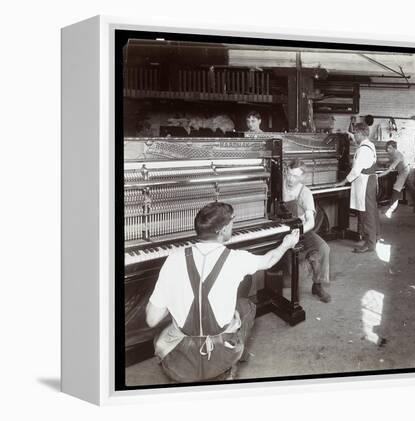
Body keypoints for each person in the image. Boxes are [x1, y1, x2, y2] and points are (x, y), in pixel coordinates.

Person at [145, 202, 300, 382]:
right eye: (232, 223)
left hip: (179, 365)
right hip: (220, 358)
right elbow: (268, 260)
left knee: (173, 328)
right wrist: (287, 244)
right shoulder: (236, 259)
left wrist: (176, 300)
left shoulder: (173, 260)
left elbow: (151, 320)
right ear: (223, 229)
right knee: (246, 305)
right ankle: (231, 361)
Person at [282, 159, 332, 303]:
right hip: (280, 230)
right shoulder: (280, 187)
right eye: (289, 174)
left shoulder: (305, 193)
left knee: (323, 248)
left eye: (295, 176)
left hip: (302, 230)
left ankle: (317, 285)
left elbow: (311, 221)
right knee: (291, 275)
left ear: (302, 177)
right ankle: (309, 262)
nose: (291, 179)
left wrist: (299, 230)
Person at [335, 122, 380, 253]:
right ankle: (372, 238)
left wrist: (343, 181)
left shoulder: (363, 149)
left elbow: (355, 171)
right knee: (370, 212)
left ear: (360, 133)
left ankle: (370, 244)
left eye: (355, 133)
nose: (354, 136)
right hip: (368, 182)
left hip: (365, 184)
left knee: (367, 214)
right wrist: (348, 134)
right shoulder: (368, 144)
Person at [378, 140, 411, 218]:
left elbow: (390, 169)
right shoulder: (393, 153)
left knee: (396, 189)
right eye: (387, 148)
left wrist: (378, 176)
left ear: (394, 148)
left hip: (404, 171)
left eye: (389, 148)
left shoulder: (398, 155)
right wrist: (381, 163)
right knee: (409, 188)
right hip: (401, 170)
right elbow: (390, 161)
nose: (387, 150)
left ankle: (390, 210)